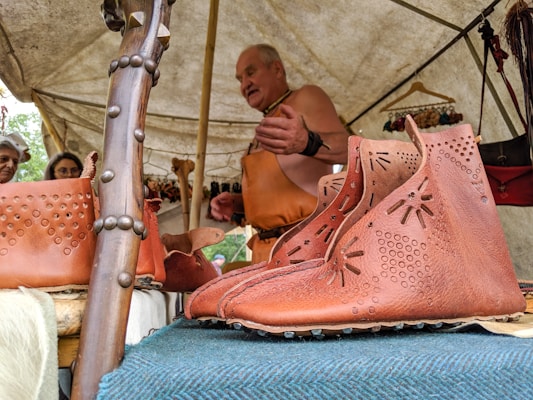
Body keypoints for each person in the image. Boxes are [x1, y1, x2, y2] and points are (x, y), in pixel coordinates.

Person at [210, 44, 360, 263]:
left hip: (305, 248)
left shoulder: (305, 98)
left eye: (251, 73)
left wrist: (307, 141)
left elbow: (351, 150)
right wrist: (239, 203)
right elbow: (277, 196)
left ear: (277, 69)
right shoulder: (264, 129)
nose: (245, 84)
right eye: (240, 79)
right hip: (264, 255)